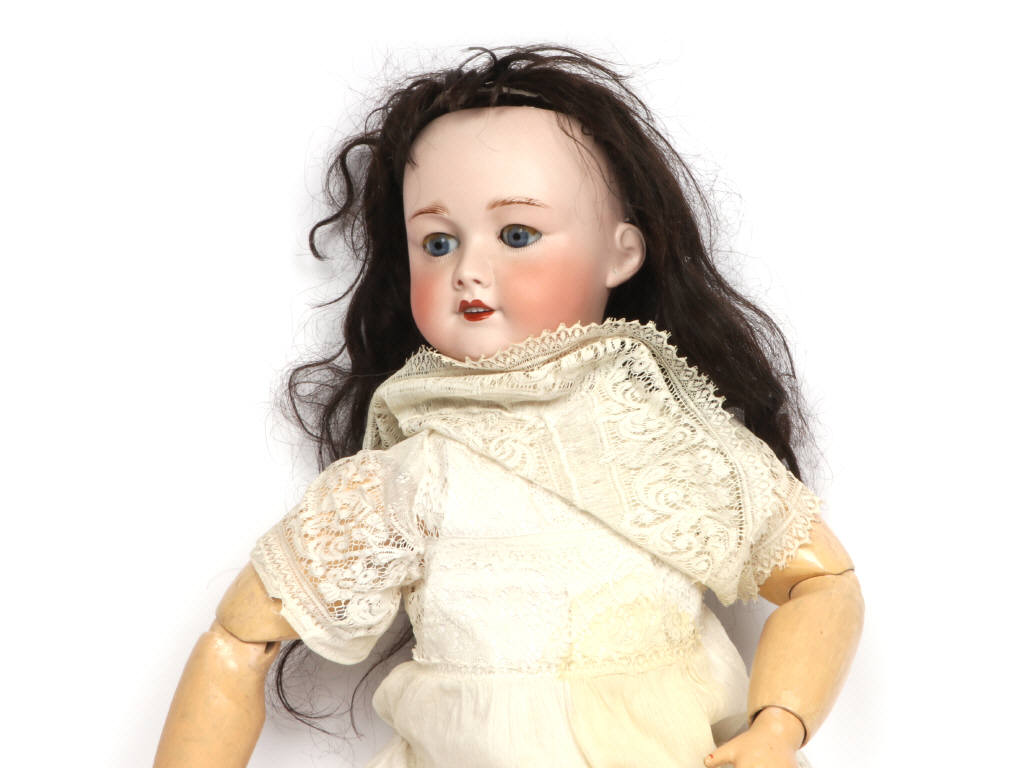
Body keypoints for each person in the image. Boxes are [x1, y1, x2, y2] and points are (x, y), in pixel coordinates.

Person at [155, 46, 863, 768]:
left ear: (622, 253)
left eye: (517, 235)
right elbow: (239, 638)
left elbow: (821, 583)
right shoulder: (417, 471)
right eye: (437, 242)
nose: (468, 270)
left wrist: (778, 729)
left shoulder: (670, 443)